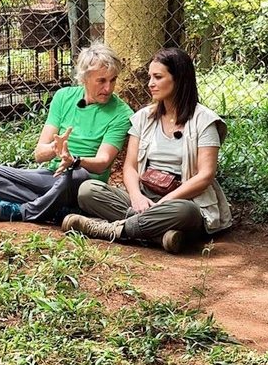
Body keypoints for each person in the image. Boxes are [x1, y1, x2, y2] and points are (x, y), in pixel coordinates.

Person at [62, 47, 232, 253]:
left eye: (158, 77)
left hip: (182, 200)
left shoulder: (204, 121)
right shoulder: (144, 117)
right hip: (144, 197)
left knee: (185, 212)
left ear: (179, 78)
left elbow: (205, 176)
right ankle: (159, 236)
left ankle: (109, 229)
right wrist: (136, 197)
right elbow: (130, 166)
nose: (150, 83)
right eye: (150, 76)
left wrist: (166, 201)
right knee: (88, 190)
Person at [0, 43, 134, 224]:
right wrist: (55, 148)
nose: (108, 88)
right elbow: (39, 154)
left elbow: (102, 163)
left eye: (113, 80)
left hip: (82, 181)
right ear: (84, 78)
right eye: (101, 81)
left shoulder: (122, 113)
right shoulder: (63, 97)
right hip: (50, 176)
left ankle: (24, 212)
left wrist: (74, 160)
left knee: (76, 174)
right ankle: (56, 208)